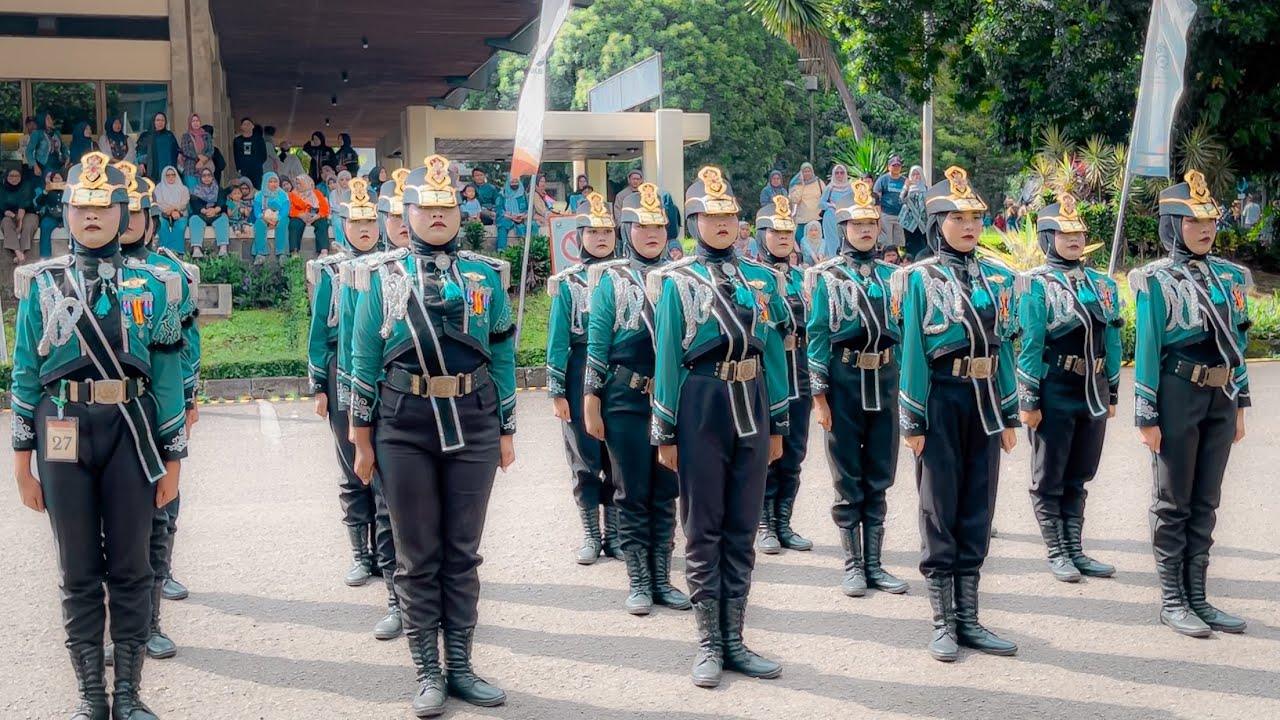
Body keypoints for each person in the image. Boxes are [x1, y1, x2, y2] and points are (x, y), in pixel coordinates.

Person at [12, 151, 187, 720]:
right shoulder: (43, 285)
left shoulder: (155, 284)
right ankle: (91, 696)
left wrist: (174, 460)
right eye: (81, 206)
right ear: (66, 212)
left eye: (104, 206)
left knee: (132, 567)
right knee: (78, 569)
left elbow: (167, 377)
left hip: (131, 429)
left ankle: (129, 696)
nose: (92, 215)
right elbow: (25, 374)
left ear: (123, 212)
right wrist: (21, 463)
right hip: (61, 428)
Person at [349, 155, 516, 717]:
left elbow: (503, 355)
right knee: (417, 554)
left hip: (474, 415)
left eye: (447, 206)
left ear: (460, 214)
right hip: (404, 423)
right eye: (427, 207)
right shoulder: (381, 276)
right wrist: (361, 438)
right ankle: (427, 672)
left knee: (462, 552)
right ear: (406, 213)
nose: (438, 215)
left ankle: (461, 667)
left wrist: (507, 427)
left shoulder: (485, 276)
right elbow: (362, 358)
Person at [650, 166, 789, 689]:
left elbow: (773, 354)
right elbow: (667, 356)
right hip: (702, 401)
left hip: (752, 400)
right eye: (712, 216)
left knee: (742, 524)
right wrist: (665, 430)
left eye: (730, 213)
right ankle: (709, 642)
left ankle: (736, 638)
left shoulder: (762, 279)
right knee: (703, 525)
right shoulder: (678, 280)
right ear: (694, 222)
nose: (723, 222)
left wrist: (779, 422)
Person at [895, 165, 1021, 662]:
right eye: (957, 217)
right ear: (936, 222)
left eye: (975, 217)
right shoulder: (919, 278)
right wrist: (913, 420)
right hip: (942, 398)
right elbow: (911, 352)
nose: (969, 225)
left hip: (984, 399)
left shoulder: (998, 277)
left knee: (977, 506)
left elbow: (1004, 347)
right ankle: (942, 621)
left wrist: (1009, 413)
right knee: (939, 505)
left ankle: (969, 617)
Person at [1129, 170, 1251, 637]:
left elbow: (1238, 342)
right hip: (1177, 393)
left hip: (1221, 396)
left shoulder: (1230, 276)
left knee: (1206, 500)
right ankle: (1172, 599)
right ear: (1172, 225)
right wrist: (1147, 414)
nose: (1205, 229)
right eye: (1193, 221)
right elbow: (1148, 348)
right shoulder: (1155, 280)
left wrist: (1240, 405)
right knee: (1173, 500)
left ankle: (1198, 596)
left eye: (1210, 221)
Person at [111, 160, 202, 661]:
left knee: (161, 504)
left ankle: (155, 595)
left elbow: (186, 344)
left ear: (149, 219)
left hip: (156, 405)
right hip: (103, 414)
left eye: (134, 213)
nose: (125, 221)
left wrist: (188, 399)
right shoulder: (85, 275)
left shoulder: (170, 274)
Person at [305, 177, 402, 640]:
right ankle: (360, 554)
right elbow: (319, 334)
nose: (364, 229)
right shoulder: (330, 272)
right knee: (352, 468)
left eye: (370, 221)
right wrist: (319, 387)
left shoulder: (390, 269)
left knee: (385, 474)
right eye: (356, 221)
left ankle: (388, 558)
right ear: (342, 224)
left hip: (383, 375)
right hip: (341, 375)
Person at [803, 180, 908, 597]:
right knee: (847, 475)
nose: (865, 230)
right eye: (856, 223)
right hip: (844, 380)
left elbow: (905, 334)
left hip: (885, 378)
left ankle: (875, 564)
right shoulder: (826, 277)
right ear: (842, 227)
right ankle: (852, 564)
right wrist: (819, 398)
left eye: (871, 223)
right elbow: (816, 336)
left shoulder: (895, 277)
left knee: (880, 472)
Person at [1016, 193, 1122, 585]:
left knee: (1080, 473)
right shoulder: (1035, 284)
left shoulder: (1102, 284)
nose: (1075, 238)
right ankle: (1057, 550)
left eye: (1078, 232)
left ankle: (1075, 548)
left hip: (1092, 388)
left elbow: (1113, 340)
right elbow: (1030, 344)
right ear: (1048, 238)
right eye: (1065, 233)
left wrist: (1113, 390)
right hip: (1054, 389)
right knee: (1050, 476)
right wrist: (1029, 399)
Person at [545, 192, 622, 568]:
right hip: (578, 374)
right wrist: (557, 391)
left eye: (607, 231)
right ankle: (591, 534)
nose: (601, 238)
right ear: (579, 237)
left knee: (618, 455)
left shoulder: (629, 278)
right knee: (585, 457)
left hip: (619, 374)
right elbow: (558, 340)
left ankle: (616, 534)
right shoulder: (568, 284)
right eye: (593, 232)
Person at [752, 196, 814, 557]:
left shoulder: (803, 277)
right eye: (775, 232)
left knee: (794, 450)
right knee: (767, 450)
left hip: (799, 369)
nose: (783, 237)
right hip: (767, 373)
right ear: (761, 235)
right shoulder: (752, 276)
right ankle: (764, 524)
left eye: (788, 231)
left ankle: (784, 522)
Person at [187, 167, 228, 257]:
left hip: (216, 214)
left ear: (212, 177)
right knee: (194, 219)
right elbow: (195, 204)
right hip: (201, 214)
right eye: (204, 176)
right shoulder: (196, 191)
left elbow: (222, 202)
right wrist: (205, 211)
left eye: (209, 175)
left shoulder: (218, 189)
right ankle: (196, 249)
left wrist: (215, 210)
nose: (207, 178)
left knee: (223, 218)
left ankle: (223, 249)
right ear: (200, 178)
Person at [2, 167, 39, 264]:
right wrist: (12, 216)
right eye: (11, 176)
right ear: (6, 177)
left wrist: (19, 224)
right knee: (6, 222)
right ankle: (17, 252)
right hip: (9, 214)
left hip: (27, 212)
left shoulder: (26, 185)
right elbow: (3, 207)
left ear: (21, 177)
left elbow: (23, 205)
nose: (14, 178)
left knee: (29, 224)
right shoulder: (2, 188)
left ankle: (21, 252)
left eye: (17, 176)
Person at [288, 175, 330, 256]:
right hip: (299, 216)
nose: (298, 186)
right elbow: (290, 209)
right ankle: (294, 252)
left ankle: (323, 251)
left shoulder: (316, 193)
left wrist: (317, 216)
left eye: (300, 183)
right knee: (294, 224)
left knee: (322, 223)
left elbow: (325, 208)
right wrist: (301, 215)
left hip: (315, 215)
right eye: (297, 184)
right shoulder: (292, 194)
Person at [151, 167, 190, 255]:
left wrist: (174, 210)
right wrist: (171, 211)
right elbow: (159, 203)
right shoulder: (158, 188)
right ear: (164, 176)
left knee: (180, 226)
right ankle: (165, 250)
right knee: (161, 224)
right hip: (163, 213)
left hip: (180, 213)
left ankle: (177, 251)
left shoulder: (183, 189)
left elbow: (184, 203)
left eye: (173, 175)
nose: (171, 177)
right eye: (168, 175)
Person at [253, 172, 290, 262]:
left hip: (279, 217)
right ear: (265, 182)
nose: (274, 184)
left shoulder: (283, 194)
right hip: (264, 217)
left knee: (284, 222)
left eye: (275, 181)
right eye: (270, 182)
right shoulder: (259, 195)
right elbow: (257, 211)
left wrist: (277, 218)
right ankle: (260, 253)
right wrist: (264, 218)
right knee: (259, 223)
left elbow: (285, 210)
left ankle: (282, 253)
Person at [819, 164, 854, 258]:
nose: (839, 175)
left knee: (846, 238)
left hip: (846, 217)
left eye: (842, 173)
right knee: (832, 239)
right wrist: (832, 205)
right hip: (831, 217)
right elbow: (821, 203)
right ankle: (833, 258)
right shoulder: (830, 188)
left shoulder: (850, 188)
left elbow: (854, 201)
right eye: (837, 173)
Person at [873, 156, 908, 250]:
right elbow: (876, 197)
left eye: (898, 165)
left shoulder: (905, 180)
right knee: (886, 242)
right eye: (893, 165)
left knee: (899, 242)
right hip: (886, 214)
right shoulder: (883, 179)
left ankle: (899, 258)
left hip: (900, 215)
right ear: (888, 167)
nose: (896, 167)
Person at [138, 113, 179, 184]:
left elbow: (176, 150)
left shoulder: (169, 135)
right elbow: (140, 151)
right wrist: (141, 163)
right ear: (153, 121)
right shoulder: (146, 136)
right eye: (158, 120)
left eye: (162, 120)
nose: (160, 122)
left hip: (168, 167)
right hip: (152, 168)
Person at [27, 112, 67, 183]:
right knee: (49, 183)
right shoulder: (37, 134)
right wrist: (35, 166)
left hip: (58, 164)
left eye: (50, 118)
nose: (51, 121)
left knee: (59, 183)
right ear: (42, 120)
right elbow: (29, 151)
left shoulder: (56, 133)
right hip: (44, 164)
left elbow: (63, 147)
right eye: (48, 119)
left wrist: (67, 156)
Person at [899, 165, 929, 260]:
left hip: (923, 221)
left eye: (918, 174)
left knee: (923, 242)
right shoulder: (907, 188)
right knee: (910, 243)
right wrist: (907, 187)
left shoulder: (926, 187)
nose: (916, 176)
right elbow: (901, 200)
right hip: (910, 222)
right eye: (913, 174)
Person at [178, 115, 213, 190]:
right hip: (190, 169)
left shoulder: (206, 135)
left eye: (197, 121)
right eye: (193, 121)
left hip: (205, 167)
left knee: (206, 192)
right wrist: (198, 156)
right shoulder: (186, 136)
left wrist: (203, 159)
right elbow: (186, 151)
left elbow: (211, 150)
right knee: (193, 193)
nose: (195, 123)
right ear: (190, 123)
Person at [232, 118, 268, 190]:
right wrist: (239, 168)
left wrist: (257, 164)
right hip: (243, 170)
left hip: (256, 170)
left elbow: (264, 155)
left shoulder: (259, 139)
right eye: (244, 124)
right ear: (241, 127)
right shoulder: (237, 140)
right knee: (244, 189)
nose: (246, 126)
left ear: (253, 126)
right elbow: (236, 156)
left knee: (257, 189)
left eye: (248, 124)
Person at [36, 170, 65, 258]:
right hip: (51, 217)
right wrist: (45, 191)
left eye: (58, 178)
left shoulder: (68, 189)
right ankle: (45, 256)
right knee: (45, 225)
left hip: (66, 217)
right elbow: (39, 202)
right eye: (54, 178)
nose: (57, 180)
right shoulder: (48, 190)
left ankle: (75, 253)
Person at [496, 175, 527, 251]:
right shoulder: (502, 195)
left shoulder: (524, 194)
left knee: (532, 225)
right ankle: (501, 250)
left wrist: (524, 216)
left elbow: (529, 208)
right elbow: (499, 210)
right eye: (512, 182)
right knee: (502, 225)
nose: (514, 184)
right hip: (507, 217)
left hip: (522, 217)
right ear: (508, 182)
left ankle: (531, 250)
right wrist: (512, 217)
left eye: (516, 182)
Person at [788, 162, 825, 226]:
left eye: (809, 171)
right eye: (805, 172)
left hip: (817, 218)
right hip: (803, 220)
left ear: (812, 171)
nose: (807, 173)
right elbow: (795, 200)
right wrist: (802, 184)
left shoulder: (819, 182)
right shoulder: (797, 185)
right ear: (801, 173)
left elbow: (825, 197)